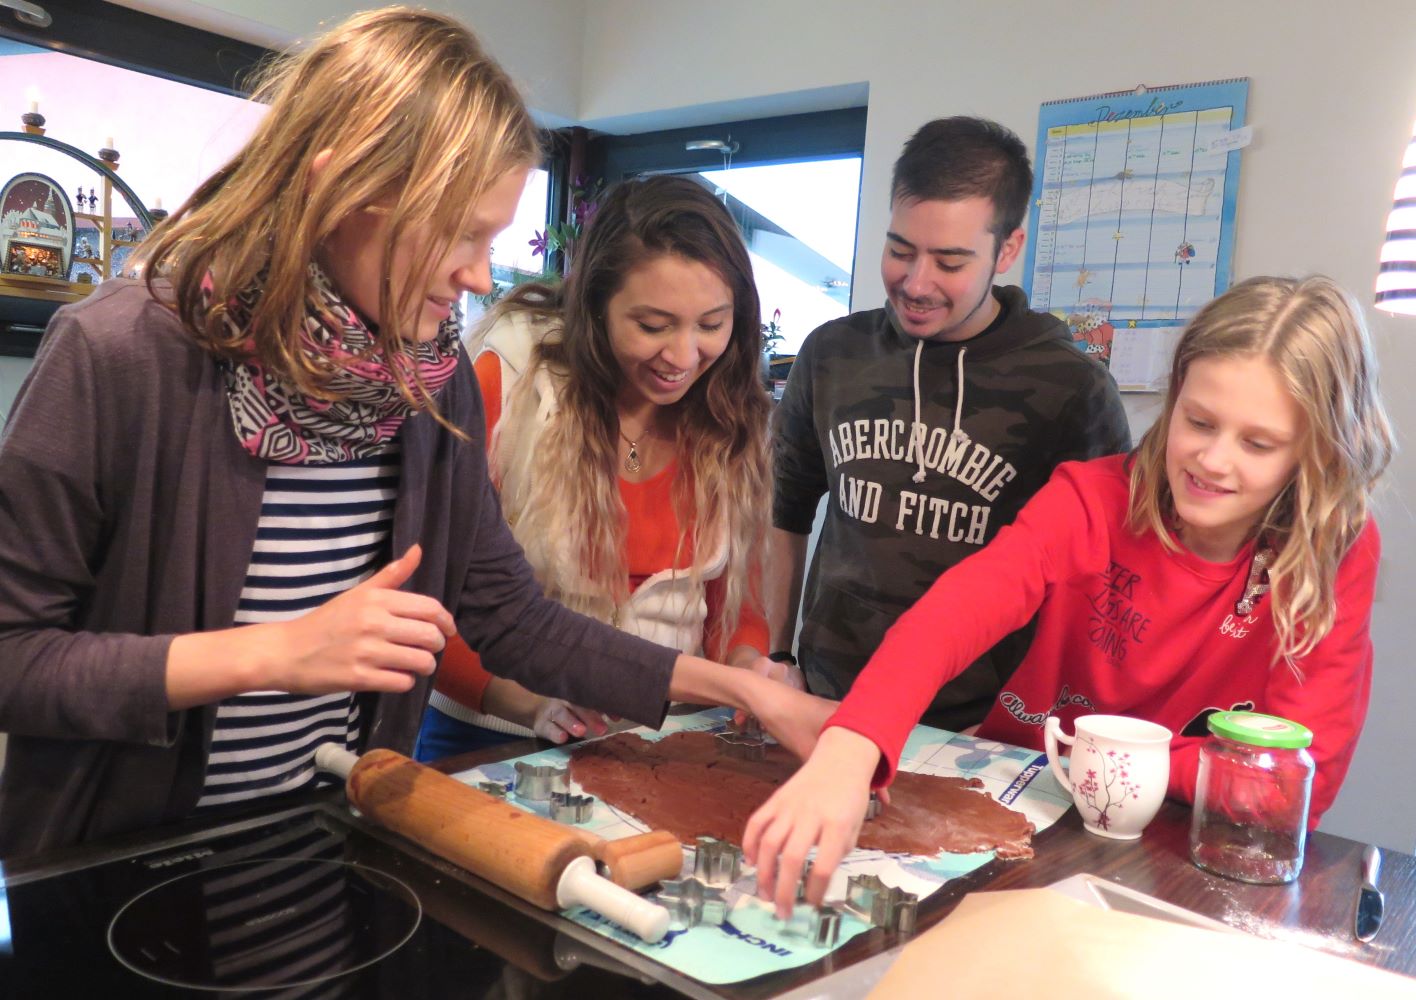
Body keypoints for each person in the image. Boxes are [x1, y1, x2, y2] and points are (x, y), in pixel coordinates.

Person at [0, 8, 816, 859]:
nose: (478, 273)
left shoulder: (430, 381)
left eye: (491, 237)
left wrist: (748, 693)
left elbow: (512, 619)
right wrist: (270, 654)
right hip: (124, 864)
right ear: (341, 189)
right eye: (461, 233)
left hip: (329, 841)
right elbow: (14, 657)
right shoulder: (121, 354)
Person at [746, 275, 1394, 914]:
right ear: (1175, 399)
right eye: (1198, 422)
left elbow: (1294, 781)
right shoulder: (1091, 499)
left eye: (1257, 443)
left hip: (1182, 843)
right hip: (1031, 801)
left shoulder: (1332, 549)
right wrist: (854, 742)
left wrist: (1096, 753)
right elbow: (956, 610)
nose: (1213, 460)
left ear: (1316, 452)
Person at [768, 116, 1130, 733]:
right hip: (828, 700)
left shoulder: (1073, 390)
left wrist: (1031, 717)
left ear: (1007, 249)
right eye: (900, 251)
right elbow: (786, 512)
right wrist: (779, 656)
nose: (916, 283)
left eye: (950, 261)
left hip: (977, 725)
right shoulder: (831, 354)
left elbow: (1099, 580)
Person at [416, 175, 775, 759]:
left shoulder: (730, 415)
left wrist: (749, 669)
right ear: (594, 307)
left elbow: (736, 608)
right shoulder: (513, 381)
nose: (684, 356)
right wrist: (531, 704)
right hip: (491, 731)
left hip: (660, 738)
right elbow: (436, 600)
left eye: (711, 325)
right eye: (653, 326)